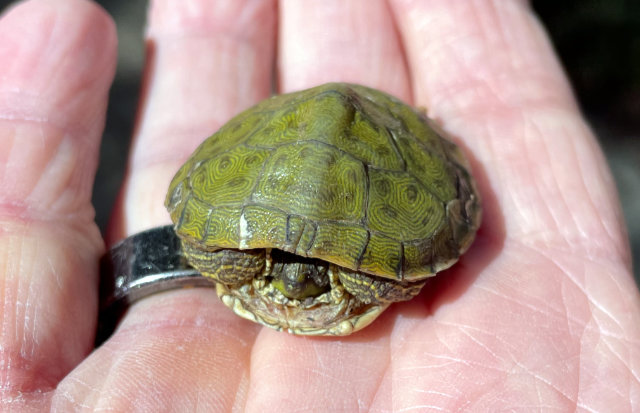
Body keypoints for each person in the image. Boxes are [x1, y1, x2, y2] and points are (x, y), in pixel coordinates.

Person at [1, 0, 638, 410]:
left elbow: (415, 258)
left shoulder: (360, 278)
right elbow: (202, 240)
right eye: (285, 271)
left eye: (304, 277)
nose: (293, 282)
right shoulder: (252, 265)